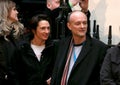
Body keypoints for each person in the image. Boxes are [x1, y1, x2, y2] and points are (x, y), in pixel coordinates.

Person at [50, 11, 108, 85]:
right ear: (69, 26)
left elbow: (102, 78)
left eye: (85, 23)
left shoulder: (99, 48)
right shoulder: (61, 45)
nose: (82, 26)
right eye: (78, 23)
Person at [11, 14, 57, 85]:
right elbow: (14, 74)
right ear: (33, 30)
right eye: (43, 28)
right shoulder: (22, 49)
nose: (47, 31)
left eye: (48, 28)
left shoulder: (53, 48)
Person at [0, 0, 24, 85]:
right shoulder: (2, 37)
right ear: (6, 11)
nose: (17, 12)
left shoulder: (15, 34)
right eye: (14, 9)